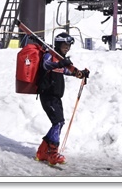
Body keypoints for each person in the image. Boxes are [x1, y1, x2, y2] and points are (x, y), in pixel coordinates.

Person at [35, 32, 90, 166]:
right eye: (65, 45)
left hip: (56, 97)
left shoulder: (60, 60)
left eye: (69, 46)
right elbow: (46, 65)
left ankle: (42, 152)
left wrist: (81, 73)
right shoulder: (50, 56)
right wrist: (60, 63)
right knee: (58, 122)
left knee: (59, 122)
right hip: (47, 95)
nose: (67, 48)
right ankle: (52, 154)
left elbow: (67, 71)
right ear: (59, 44)